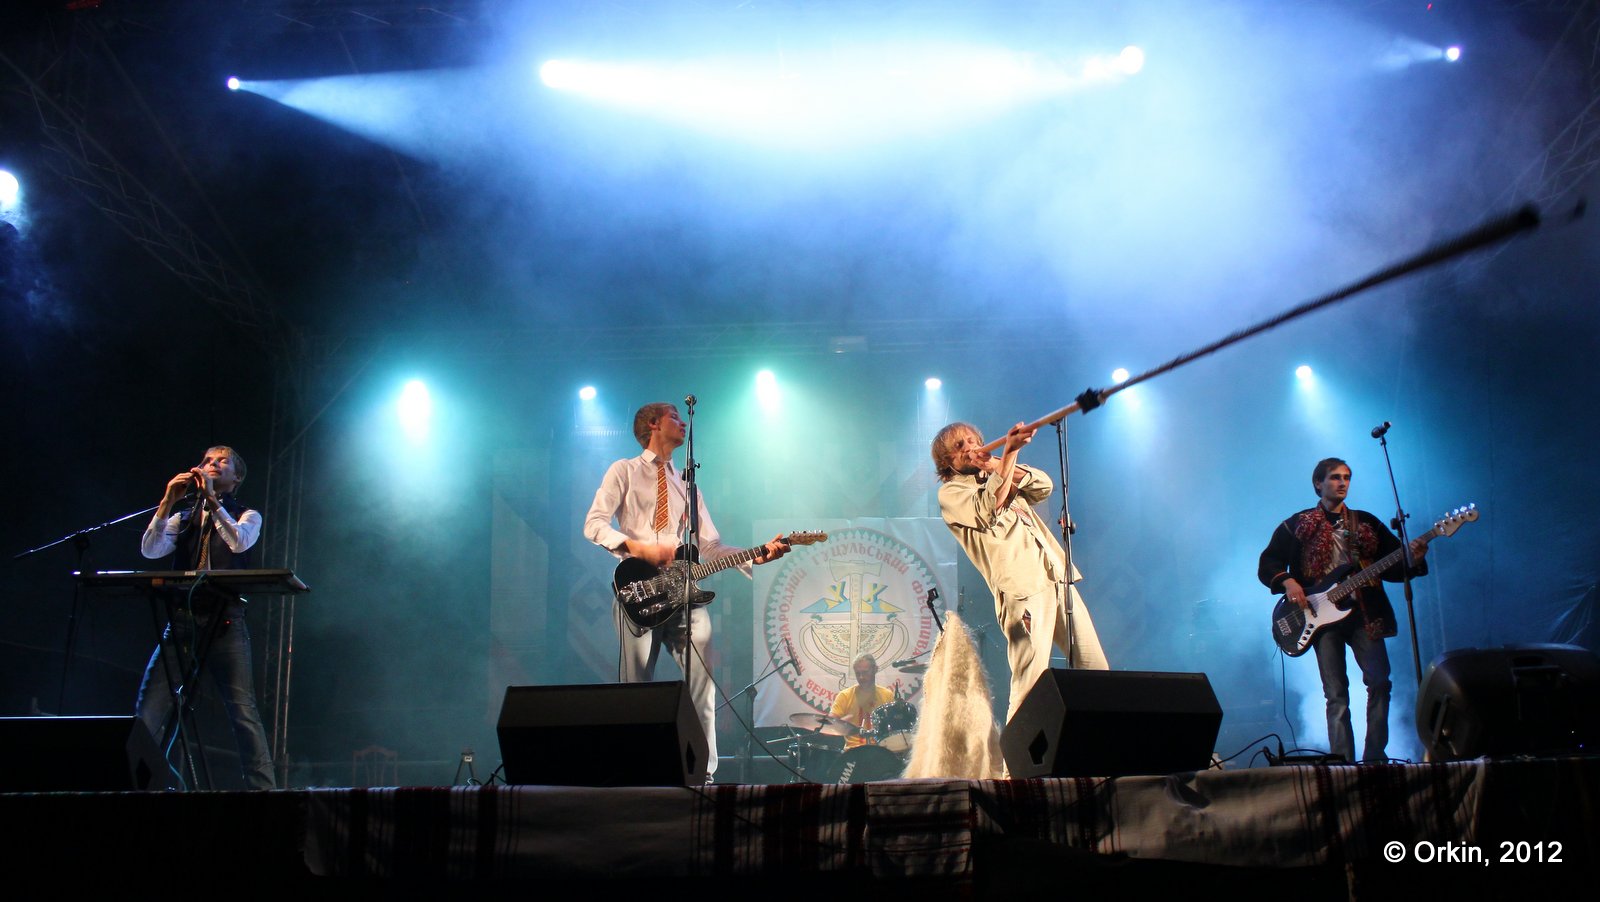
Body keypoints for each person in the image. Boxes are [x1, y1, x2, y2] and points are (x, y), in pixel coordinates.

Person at [584, 402, 789, 781]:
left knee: (703, 684)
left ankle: (702, 772)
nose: (682, 422)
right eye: (674, 416)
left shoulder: (687, 484)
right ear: (652, 424)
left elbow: (710, 546)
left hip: (684, 593)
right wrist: (637, 547)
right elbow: (594, 524)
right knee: (636, 688)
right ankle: (637, 773)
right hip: (639, 590)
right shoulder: (624, 470)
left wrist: (755, 555)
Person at [932, 421, 1109, 725]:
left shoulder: (997, 472)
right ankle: (1014, 756)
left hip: (1056, 576)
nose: (970, 447)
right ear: (947, 461)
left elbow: (1044, 486)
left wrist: (996, 462)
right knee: (1031, 683)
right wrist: (1008, 455)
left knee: (1096, 669)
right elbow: (988, 508)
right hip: (1022, 589)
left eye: (973, 440)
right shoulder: (951, 493)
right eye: (960, 446)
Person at [1257, 457, 1428, 763]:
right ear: (1318, 483)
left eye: (1347, 477)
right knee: (1336, 693)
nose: (1342, 483)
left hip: (1365, 614)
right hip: (1322, 617)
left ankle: (1375, 756)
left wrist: (1413, 558)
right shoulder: (1298, 524)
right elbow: (1268, 561)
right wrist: (1289, 581)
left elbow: (1393, 567)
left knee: (1380, 682)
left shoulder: (1366, 523)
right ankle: (1343, 761)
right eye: (1335, 477)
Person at [135, 445, 275, 789]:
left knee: (242, 712)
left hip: (225, 622)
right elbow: (151, 550)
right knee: (148, 712)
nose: (212, 464)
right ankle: (142, 785)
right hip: (182, 621)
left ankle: (264, 792)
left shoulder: (248, 515)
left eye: (222, 461)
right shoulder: (183, 518)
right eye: (207, 461)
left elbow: (239, 543)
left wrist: (213, 502)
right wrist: (167, 501)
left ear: (236, 478)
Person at [830, 654, 895, 749]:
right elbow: (828, 725)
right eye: (858, 673)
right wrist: (842, 723)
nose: (861, 677)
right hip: (853, 750)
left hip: (881, 749)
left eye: (865, 673)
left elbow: (894, 726)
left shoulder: (887, 695)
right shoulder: (845, 695)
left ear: (875, 669)